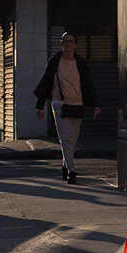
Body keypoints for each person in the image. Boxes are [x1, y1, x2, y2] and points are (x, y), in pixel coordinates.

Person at [32, 32, 99, 184]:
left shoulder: (80, 63)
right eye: (65, 41)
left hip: (77, 104)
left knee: (73, 140)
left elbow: (88, 85)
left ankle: (65, 165)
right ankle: (72, 171)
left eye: (71, 41)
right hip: (59, 104)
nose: (68, 45)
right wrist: (40, 107)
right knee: (65, 139)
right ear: (61, 44)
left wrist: (95, 104)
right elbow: (46, 83)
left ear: (75, 44)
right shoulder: (55, 62)